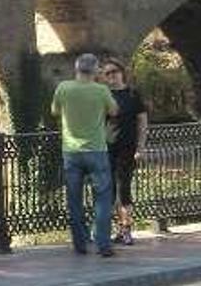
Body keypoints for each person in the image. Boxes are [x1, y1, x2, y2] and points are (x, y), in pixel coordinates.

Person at [50, 53, 118, 257]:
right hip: (97, 150)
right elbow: (114, 111)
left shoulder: (63, 88)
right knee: (103, 198)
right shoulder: (101, 90)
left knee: (74, 199)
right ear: (96, 70)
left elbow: (54, 111)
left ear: (76, 69)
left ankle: (80, 244)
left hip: (71, 151)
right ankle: (103, 244)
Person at [99, 57, 148, 245]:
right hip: (107, 148)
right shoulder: (104, 95)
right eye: (107, 73)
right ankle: (117, 229)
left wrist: (141, 147)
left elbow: (142, 122)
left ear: (122, 73)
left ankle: (127, 229)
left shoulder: (133, 94)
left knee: (124, 189)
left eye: (114, 72)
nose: (111, 76)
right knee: (109, 190)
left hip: (127, 148)